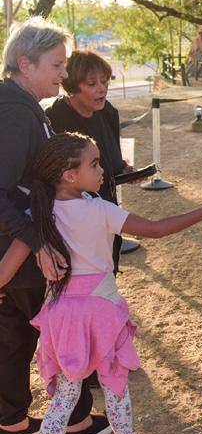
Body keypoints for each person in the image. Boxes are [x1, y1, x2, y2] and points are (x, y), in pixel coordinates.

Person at [0, 132, 202, 434]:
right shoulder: (100, 210)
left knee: (65, 397)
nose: (102, 170)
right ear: (69, 175)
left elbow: (5, 270)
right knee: (115, 389)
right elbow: (155, 229)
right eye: (94, 164)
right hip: (101, 312)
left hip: (62, 317)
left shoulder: (38, 214)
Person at [0, 18, 111, 434]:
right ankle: (77, 422)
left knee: (13, 335)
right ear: (25, 64)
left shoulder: (21, 106)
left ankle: (11, 421)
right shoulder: (15, 112)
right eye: (57, 65)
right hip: (20, 250)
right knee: (62, 330)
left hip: (17, 248)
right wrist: (38, 243)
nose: (64, 74)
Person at [46, 49, 133, 270]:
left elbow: (112, 159)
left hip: (106, 212)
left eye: (104, 81)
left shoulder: (108, 113)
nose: (102, 88)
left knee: (108, 272)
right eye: (92, 83)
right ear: (72, 87)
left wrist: (123, 170)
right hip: (72, 225)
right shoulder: (53, 120)